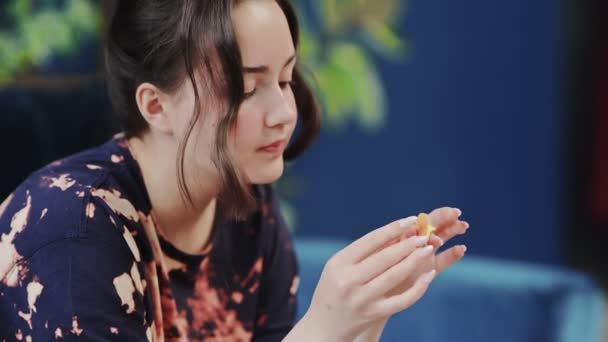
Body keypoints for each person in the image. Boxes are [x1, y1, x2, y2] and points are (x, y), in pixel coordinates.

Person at [0, 0, 469, 340]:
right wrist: (322, 329)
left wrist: (365, 317)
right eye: (247, 89)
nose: (284, 111)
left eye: (285, 79)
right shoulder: (70, 229)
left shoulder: (246, 207)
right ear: (156, 105)